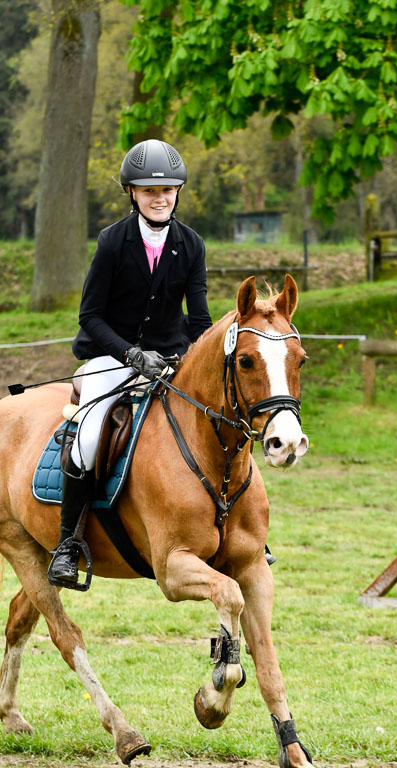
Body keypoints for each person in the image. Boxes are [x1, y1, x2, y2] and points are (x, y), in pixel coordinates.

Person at [49, 139, 213, 585]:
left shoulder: (191, 244)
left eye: (167, 190)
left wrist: (194, 359)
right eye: (148, 191)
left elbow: (200, 320)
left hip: (170, 359)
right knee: (87, 436)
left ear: (177, 192)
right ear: (132, 193)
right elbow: (90, 316)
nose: (159, 198)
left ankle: (242, 531)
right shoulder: (112, 241)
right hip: (112, 356)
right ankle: (67, 544)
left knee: (217, 423)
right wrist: (130, 353)